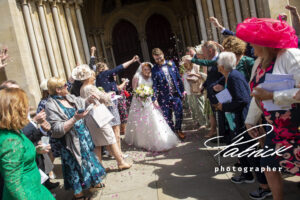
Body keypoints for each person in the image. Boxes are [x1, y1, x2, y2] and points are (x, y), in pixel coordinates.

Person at [237, 17, 300, 200]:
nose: (250, 46)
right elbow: (257, 93)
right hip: (276, 128)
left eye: (254, 42)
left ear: (266, 43)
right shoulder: (259, 62)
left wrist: (273, 96)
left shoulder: (291, 56)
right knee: (269, 166)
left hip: (295, 127)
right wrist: (250, 120)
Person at [45, 77, 106, 200]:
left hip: (83, 136)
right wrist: (75, 119)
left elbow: (81, 102)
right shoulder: (50, 105)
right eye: (65, 85)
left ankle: (93, 183)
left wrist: (89, 99)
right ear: (57, 90)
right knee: (73, 166)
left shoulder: (68, 97)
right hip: (69, 142)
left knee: (88, 160)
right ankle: (78, 194)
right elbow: (56, 129)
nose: (67, 86)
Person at [74, 64, 132, 170]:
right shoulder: (90, 87)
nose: (94, 77)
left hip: (90, 118)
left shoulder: (82, 88)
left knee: (97, 143)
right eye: (92, 75)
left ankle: (99, 166)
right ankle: (121, 162)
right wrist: (109, 94)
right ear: (87, 77)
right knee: (111, 138)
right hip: (98, 117)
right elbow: (104, 99)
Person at [0, 88, 54, 200]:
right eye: (24, 105)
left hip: (35, 188)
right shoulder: (10, 140)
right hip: (27, 193)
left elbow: (19, 157)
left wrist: (36, 151)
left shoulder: (13, 131)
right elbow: (13, 184)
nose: (27, 108)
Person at [125, 62, 179, 151]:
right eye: (145, 69)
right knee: (142, 121)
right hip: (139, 101)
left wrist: (154, 98)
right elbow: (134, 91)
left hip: (150, 100)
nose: (147, 71)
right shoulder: (137, 77)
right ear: (141, 69)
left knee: (155, 119)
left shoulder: (152, 76)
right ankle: (143, 141)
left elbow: (155, 88)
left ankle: (161, 139)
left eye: (148, 69)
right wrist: (141, 96)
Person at [96, 55, 139, 156]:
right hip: (111, 103)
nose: (109, 70)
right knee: (116, 129)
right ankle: (119, 153)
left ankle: (111, 151)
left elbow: (116, 88)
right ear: (103, 69)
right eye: (107, 68)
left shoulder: (98, 78)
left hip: (104, 105)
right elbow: (120, 67)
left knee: (109, 129)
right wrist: (132, 60)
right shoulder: (105, 74)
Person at [151, 48, 185, 140]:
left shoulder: (171, 64)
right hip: (163, 97)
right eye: (156, 59)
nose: (159, 60)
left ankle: (178, 129)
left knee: (179, 113)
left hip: (175, 94)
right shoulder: (154, 70)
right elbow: (154, 85)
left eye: (160, 58)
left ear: (163, 55)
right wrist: (154, 99)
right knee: (168, 116)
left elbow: (178, 78)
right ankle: (173, 133)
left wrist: (182, 92)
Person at [181, 55, 207, 129]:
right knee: (194, 107)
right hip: (189, 90)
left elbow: (201, 77)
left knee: (200, 106)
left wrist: (193, 79)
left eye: (185, 62)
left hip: (197, 89)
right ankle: (198, 121)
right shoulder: (184, 68)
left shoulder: (196, 66)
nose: (184, 64)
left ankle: (204, 123)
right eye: (183, 63)